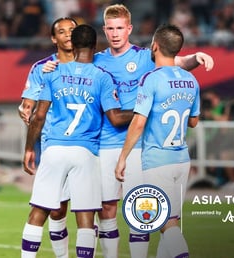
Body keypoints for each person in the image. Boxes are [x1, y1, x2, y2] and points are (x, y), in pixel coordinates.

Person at [43, 4, 213, 258]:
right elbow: (71, 69)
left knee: (140, 210)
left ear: (129, 29)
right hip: (105, 145)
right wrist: (51, 67)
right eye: (110, 28)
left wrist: (196, 57)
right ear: (104, 29)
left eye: (120, 28)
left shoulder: (144, 57)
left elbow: (176, 61)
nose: (115, 33)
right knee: (107, 210)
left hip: (137, 148)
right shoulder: (97, 60)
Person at [21, 24, 133, 258]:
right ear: (95, 47)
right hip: (85, 152)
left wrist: (30, 148)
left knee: (39, 212)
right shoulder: (102, 77)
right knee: (85, 217)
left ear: (74, 43)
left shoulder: (53, 72)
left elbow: (38, 116)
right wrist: (142, 110)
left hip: (54, 148)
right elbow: (115, 118)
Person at [115, 24, 200, 258]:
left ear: (155, 46)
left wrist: (122, 158)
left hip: (157, 159)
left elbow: (138, 122)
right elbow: (193, 121)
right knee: (171, 222)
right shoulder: (191, 79)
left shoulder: (150, 79)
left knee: (165, 223)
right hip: (182, 160)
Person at [18, 17, 78, 258]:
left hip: (90, 147)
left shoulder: (94, 64)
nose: (67, 35)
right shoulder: (42, 68)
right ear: (54, 39)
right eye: (61, 32)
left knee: (92, 213)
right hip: (55, 145)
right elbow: (28, 106)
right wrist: (23, 109)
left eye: (72, 30)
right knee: (54, 210)